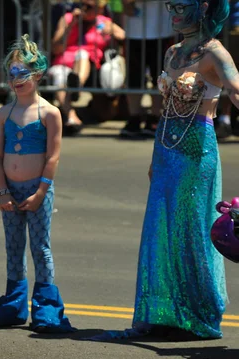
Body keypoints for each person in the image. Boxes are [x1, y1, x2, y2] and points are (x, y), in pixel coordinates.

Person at [130, 0, 238, 340]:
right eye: (170, 5)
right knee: (162, 228)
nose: (173, 12)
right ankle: (165, 313)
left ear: (203, 6)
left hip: (196, 150)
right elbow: (165, 109)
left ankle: (198, 313)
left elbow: (236, 90)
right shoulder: (173, 52)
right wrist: (154, 157)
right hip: (166, 149)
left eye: (181, 5)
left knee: (192, 229)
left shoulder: (216, 53)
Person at [0, 35, 75, 333]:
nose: (16, 80)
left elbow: (53, 158)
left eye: (22, 74)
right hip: (11, 192)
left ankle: (46, 308)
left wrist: (41, 192)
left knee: (40, 247)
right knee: (13, 247)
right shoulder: (4, 114)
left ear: (38, 75)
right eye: (11, 74)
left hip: (38, 191)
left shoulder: (49, 113)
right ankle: (14, 305)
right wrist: (3, 192)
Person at [48, 0, 125, 134]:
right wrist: (71, 26)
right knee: (60, 75)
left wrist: (113, 32)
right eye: (82, 5)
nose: (85, 9)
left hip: (90, 64)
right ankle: (72, 117)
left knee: (82, 53)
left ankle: (76, 85)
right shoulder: (67, 19)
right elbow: (55, 48)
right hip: (64, 62)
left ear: (99, 9)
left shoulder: (104, 22)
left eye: (90, 7)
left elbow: (124, 36)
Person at [119, 0, 175, 137]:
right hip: (134, 32)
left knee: (160, 76)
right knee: (134, 77)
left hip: (162, 31)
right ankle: (134, 118)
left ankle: (155, 116)